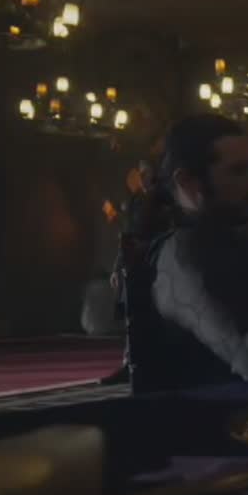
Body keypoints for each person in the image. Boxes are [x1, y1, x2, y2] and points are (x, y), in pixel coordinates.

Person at [130, 114, 248, 392]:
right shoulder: (184, 254)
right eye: (239, 171)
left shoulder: (225, 244)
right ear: (188, 182)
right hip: (233, 416)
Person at [101, 159, 169, 384]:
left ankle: (152, 366)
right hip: (134, 265)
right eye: (140, 172)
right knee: (133, 317)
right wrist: (117, 266)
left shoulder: (165, 199)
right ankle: (129, 365)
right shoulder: (136, 201)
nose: (141, 176)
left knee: (155, 318)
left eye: (145, 172)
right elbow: (128, 235)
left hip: (158, 263)